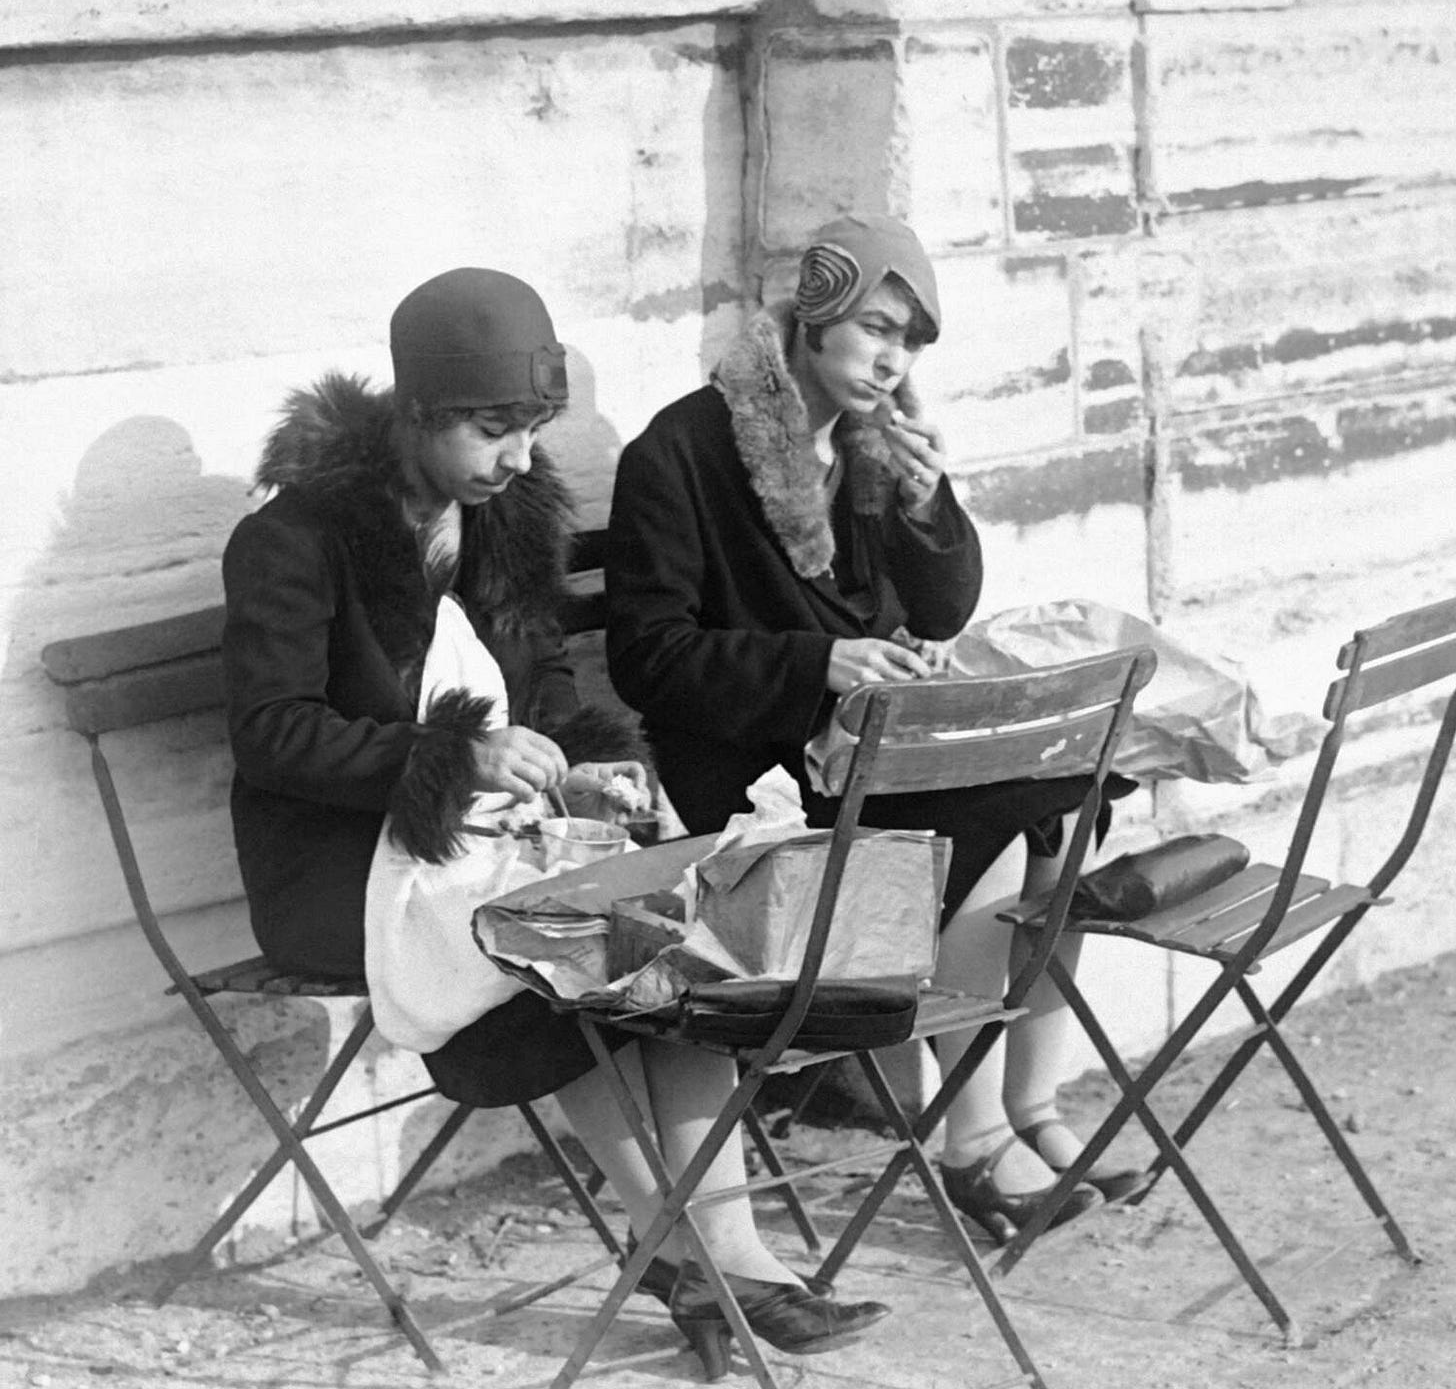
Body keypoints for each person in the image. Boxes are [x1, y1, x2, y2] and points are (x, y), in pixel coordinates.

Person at [221, 267, 889, 1378]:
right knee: (574, 936)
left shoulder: (499, 521)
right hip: (341, 867)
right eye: (493, 430)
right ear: (415, 411)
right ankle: (700, 1254)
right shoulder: (297, 538)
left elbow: (539, 690)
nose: (520, 458)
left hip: (486, 847)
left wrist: (583, 768)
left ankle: (713, 1250)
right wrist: (454, 755)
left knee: (658, 911)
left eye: (532, 430)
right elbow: (273, 734)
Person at [604, 214, 1147, 1244]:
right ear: (813, 317)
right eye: (876, 329)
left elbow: (939, 610)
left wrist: (927, 506)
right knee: (1001, 822)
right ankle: (978, 1143)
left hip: (866, 753)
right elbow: (649, 656)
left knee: (1063, 802)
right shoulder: (682, 451)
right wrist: (820, 662)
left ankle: (1026, 1111)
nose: (894, 361)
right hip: (751, 772)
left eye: (911, 342)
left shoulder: (869, 441)